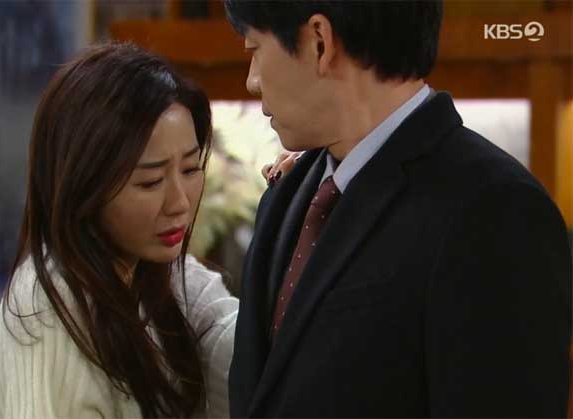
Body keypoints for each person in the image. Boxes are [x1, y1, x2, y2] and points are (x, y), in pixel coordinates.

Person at [224, 1, 572, 417]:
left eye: (254, 49)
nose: (252, 81)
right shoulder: (289, 191)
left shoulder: (495, 209)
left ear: (320, 42)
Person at [0, 42, 239, 418]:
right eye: (150, 181)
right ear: (87, 182)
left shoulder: (158, 277)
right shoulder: (51, 308)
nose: (179, 202)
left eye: (190, 169)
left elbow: (237, 338)